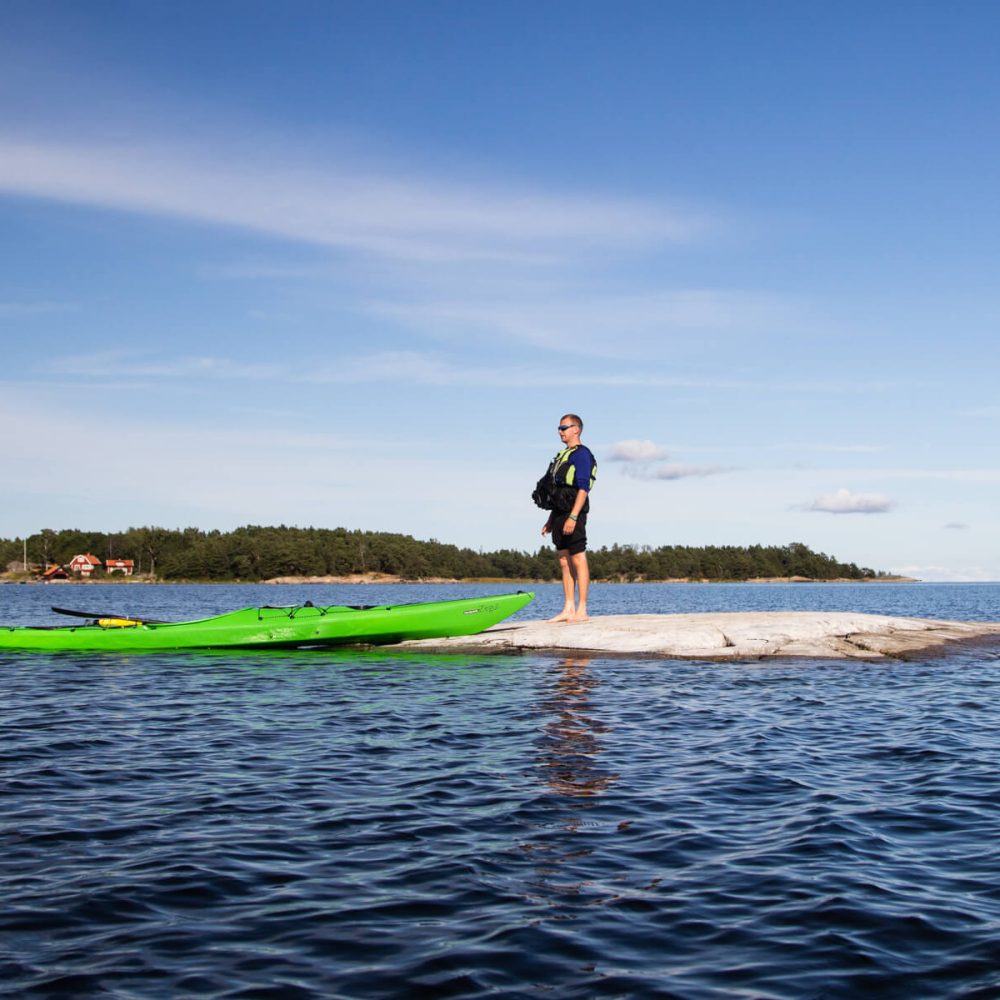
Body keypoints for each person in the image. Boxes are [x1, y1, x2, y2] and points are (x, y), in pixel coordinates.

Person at [540, 414, 597, 622]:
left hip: (575, 510)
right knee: (564, 560)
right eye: (559, 427)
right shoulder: (564, 454)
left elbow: (584, 488)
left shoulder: (582, 454)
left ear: (577, 429)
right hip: (560, 510)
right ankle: (568, 608)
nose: (560, 431)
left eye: (564, 427)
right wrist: (550, 519)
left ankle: (582, 609)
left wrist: (573, 516)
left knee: (578, 557)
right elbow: (558, 492)